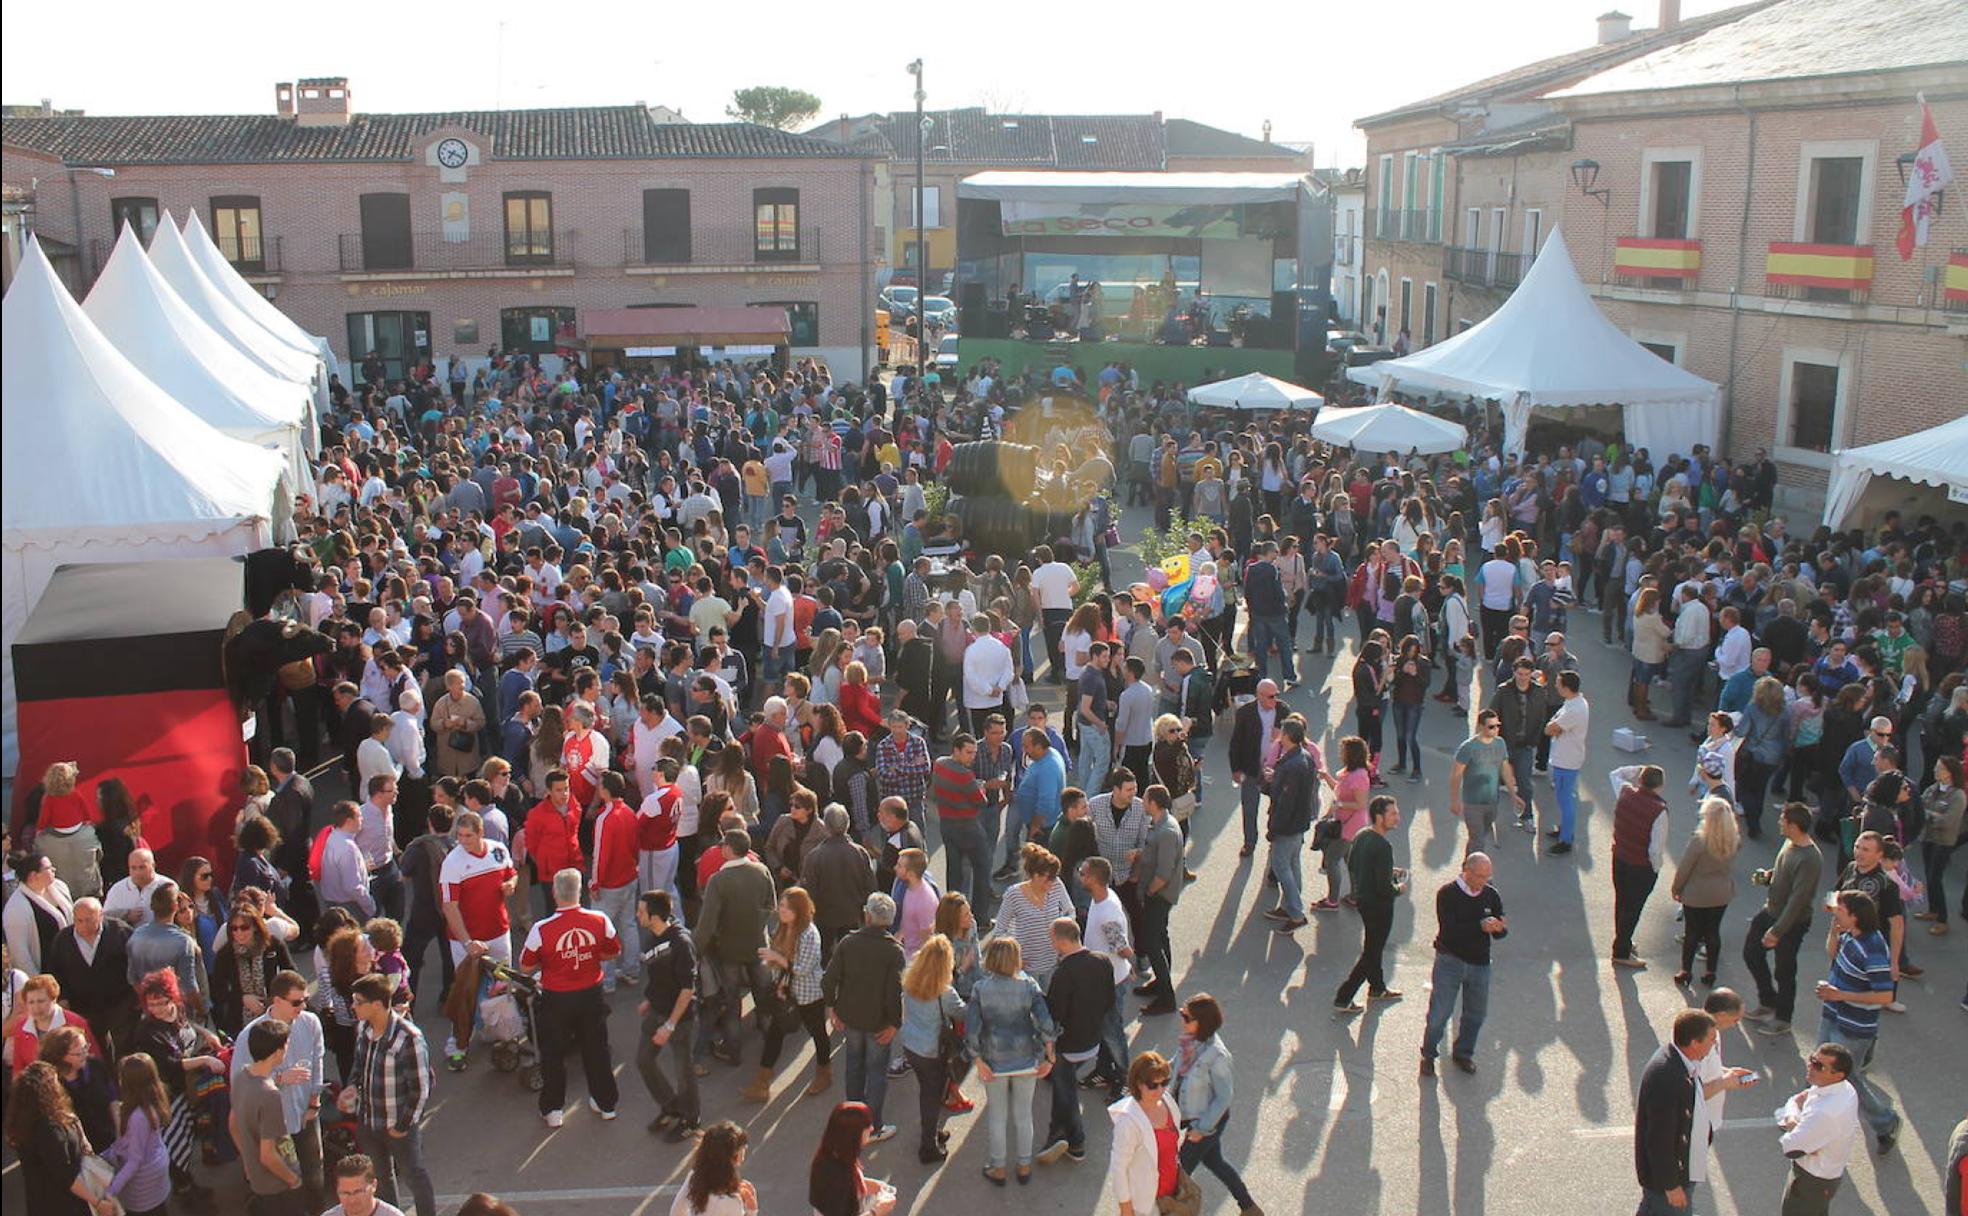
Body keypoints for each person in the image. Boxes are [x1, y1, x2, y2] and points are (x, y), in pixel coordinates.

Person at [518, 866, 621, 1125]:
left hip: (557, 998)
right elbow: (612, 952)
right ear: (581, 891)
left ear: (554, 893)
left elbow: (526, 966)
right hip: (591, 994)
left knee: (553, 1053)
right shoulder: (600, 921)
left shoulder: (541, 929)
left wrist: (552, 964)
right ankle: (606, 1104)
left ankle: (553, 1110)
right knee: (597, 1050)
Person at [337, 972, 436, 1216]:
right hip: (369, 1122)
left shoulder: (408, 1037)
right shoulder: (364, 1029)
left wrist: (402, 1126)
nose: (353, 1006)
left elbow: (421, 1088)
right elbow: (359, 1067)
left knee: (414, 1176)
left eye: (358, 1001)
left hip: (398, 1125)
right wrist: (351, 1087)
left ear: (378, 1005)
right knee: (380, 1177)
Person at [965, 936, 1058, 1186]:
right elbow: (1046, 1022)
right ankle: (1024, 1165)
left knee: (997, 1116)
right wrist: (1049, 1055)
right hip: (1026, 1059)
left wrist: (977, 1060)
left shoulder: (980, 989)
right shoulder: (1029, 986)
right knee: (1023, 1115)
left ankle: (998, 1167)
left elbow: (972, 1029)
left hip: (993, 1061)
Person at [1813, 890, 1900, 1155]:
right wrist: (1833, 930)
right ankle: (1812, 1121)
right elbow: (1832, 953)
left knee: (1845, 1077)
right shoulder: (1850, 935)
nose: (1834, 911)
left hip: (1854, 1025)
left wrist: (1841, 995)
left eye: (1840, 910)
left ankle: (1886, 1122)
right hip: (1833, 1012)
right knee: (1819, 1065)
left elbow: (1885, 995)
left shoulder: (1872, 948)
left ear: (1856, 916)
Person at [230, 970, 325, 1210]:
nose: (302, 1006)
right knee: (283, 1190)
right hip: (274, 1128)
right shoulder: (251, 1036)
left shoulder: (310, 1022)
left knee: (314, 1176)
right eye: (296, 1002)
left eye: (305, 999)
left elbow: (318, 1061)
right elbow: (243, 1083)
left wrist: (314, 1103)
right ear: (277, 1001)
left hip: (305, 1116)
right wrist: (281, 1077)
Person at [822, 891, 905, 1142]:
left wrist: (832, 1008)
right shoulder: (894, 951)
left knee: (854, 1068)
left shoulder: (848, 943)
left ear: (867, 916)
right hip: (879, 1023)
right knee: (877, 1073)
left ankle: (852, 1123)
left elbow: (828, 980)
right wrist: (894, 1023)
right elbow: (894, 993)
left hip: (851, 1019)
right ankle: (873, 1126)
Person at [1169, 993, 1261, 1215]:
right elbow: (1173, 1067)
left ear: (1202, 1022)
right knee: (1216, 1162)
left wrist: (1202, 1129)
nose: (1182, 1020)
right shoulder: (1190, 1042)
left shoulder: (1217, 1055)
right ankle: (1249, 1207)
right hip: (1193, 1116)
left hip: (1207, 1121)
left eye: (1186, 1017)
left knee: (1177, 1176)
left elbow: (1224, 1097)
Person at [1419, 852, 1506, 1077]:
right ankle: (1428, 1053)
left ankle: (1464, 1053)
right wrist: (1480, 926)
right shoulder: (1447, 894)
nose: (1482, 882)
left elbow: (1500, 931)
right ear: (1466, 871)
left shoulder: (1491, 895)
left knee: (1476, 1014)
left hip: (1480, 964)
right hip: (1450, 960)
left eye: (1487, 877)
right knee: (1440, 1013)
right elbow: (1449, 931)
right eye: (1479, 876)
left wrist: (1499, 928)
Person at [1743, 803, 1824, 1036]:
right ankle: (1768, 1000)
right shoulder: (1789, 843)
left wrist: (1777, 931)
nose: (1779, 823)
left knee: (1785, 970)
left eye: (1782, 820)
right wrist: (1769, 877)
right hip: (1771, 911)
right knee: (1751, 953)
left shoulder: (1810, 858)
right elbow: (1783, 872)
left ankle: (1783, 1018)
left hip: (1792, 922)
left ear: (1794, 826)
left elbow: (1798, 900)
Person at [1039, 917, 1112, 1168]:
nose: (1051, 944)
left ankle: (1076, 1141)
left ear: (1061, 940)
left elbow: (1054, 1014)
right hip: (1092, 1041)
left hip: (1069, 1046)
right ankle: (1055, 1134)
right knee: (1064, 1088)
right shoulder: (1102, 962)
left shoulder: (1064, 973)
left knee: (1065, 1091)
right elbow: (1110, 1002)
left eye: (1052, 939)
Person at [1633, 1008, 1717, 1216]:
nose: (1714, 1044)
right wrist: (1671, 1185)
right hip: (1668, 1183)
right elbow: (1658, 1139)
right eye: (1711, 1039)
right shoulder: (1666, 1077)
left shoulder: (1681, 1061)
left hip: (1681, 1171)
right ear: (1694, 1043)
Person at [749, 886, 830, 1103]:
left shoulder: (809, 933)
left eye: (787, 908)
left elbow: (803, 968)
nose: (781, 911)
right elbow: (782, 962)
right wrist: (775, 971)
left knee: (818, 1034)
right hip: (788, 992)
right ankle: (762, 1083)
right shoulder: (784, 928)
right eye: (781, 906)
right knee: (775, 1034)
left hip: (809, 995)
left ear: (800, 910)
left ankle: (824, 1073)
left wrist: (777, 957)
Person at [635, 890, 702, 1142]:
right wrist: (649, 1000)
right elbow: (657, 976)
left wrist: (671, 1025)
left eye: (641, 911)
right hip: (656, 1010)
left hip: (679, 1019)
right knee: (644, 1060)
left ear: (654, 916)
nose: (637, 915)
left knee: (683, 1071)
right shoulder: (652, 936)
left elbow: (687, 989)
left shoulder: (681, 943)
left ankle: (690, 1118)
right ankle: (670, 1106)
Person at [1333, 796, 1405, 1014]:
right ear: (1379, 816)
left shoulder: (1362, 835)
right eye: (1392, 814)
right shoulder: (1383, 845)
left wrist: (1385, 871)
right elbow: (1384, 887)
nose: (1397, 817)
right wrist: (1398, 889)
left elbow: (1354, 863)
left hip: (1363, 901)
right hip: (1379, 906)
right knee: (1372, 952)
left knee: (1373, 946)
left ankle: (1377, 987)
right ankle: (1344, 997)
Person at [899, 932, 964, 1163]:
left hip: (910, 1045)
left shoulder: (910, 979)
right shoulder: (945, 992)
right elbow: (962, 1012)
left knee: (927, 1091)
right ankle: (928, 1146)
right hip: (932, 1051)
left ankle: (932, 1133)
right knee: (931, 1095)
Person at [1776, 1042, 1861, 1216]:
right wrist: (1796, 1122)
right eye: (1811, 1060)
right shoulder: (1842, 1089)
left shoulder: (1825, 1112)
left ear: (1837, 1075)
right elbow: (1797, 1100)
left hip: (1811, 1180)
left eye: (1818, 1066)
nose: (1810, 1067)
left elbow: (1792, 1148)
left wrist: (1791, 1118)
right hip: (1822, 1177)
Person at [232, 1018, 306, 1215]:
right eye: (287, 1043)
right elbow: (268, 1155)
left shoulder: (241, 1076)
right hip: (278, 1185)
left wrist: (248, 1161)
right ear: (278, 1052)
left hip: (259, 1181)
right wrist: (293, 1180)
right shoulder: (270, 1095)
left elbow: (232, 1122)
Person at [4, 1060, 94, 1216]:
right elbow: (67, 1176)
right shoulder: (48, 1130)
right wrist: (97, 1202)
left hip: (41, 1203)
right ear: (46, 1090)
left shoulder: (25, 1122)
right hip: (63, 1207)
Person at [1671, 797, 1740, 986]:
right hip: (1721, 893)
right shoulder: (1733, 840)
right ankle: (1711, 971)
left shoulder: (1699, 841)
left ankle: (1686, 970)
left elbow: (1685, 867)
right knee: (1713, 931)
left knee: (1692, 932)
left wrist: (1676, 888)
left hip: (1696, 894)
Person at [1608, 765, 1671, 969]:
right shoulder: (1659, 810)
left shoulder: (1625, 792)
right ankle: (1621, 950)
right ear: (1660, 785)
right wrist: (1656, 868)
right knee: (1633, 908)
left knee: (1622, 901)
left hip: (1620, 857)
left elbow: (1615, 774)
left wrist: (1636, 769)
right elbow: (1656, 848)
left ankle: (1623, 940)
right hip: (1641, 866)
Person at [1107, 1051, 1184, 1216]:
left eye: (1164, 1083)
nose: (1160, 1090)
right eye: (1152, 1086)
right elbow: (1119, 1167)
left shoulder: (1167, 1102)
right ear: (1138, 1084)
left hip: (1171, 1193)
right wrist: (1125, 1207)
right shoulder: (1128, 1122)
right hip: (1145, 1203)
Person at [1134, 785, 1187, 1016]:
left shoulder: (1167, 831)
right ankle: (1161, 981)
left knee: (1153, 943)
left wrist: (1149, 892)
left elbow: (1164, 873)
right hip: (1158, 894)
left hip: (1159, 895)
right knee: (1161, 937)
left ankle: (1166, 997)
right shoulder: (1161, 824)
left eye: (1145, 799)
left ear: (1153, 803)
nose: (1142, 802)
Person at [103, 1051, 175, 1216]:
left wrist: (111, 1190)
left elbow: (135, 1160)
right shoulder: (152, 1100)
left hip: (144, 1185)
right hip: (157, 1172)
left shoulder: (138, 1117)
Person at [1262, 717, 1317, 932]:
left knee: (1281, 866)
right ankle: (1289, 906)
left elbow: (1286, 801)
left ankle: (1295, 913)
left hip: (1288, 825)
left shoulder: (1293, 764)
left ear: (1287, 736)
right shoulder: (1304, 758)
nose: (1279, 736)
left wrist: (1274, 828)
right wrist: (1277, 778)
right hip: (1298, 823)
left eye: (1281, 733)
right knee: (1293, 865)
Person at [810, 1101, 896, 1216]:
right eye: (866, 1126)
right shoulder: (838, 1175)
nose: (871, 1128)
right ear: (853, 1135)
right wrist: (877, 1211)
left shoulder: (831, 1154)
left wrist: (873, 1185)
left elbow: (850, 1182)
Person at [4, 852, 75, 973]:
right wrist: (36, 981)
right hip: (46, 969)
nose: (54, 869)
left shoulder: (60, 887)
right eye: (48, 868)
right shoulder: (16, 908)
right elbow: (19, 953)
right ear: (34, 876)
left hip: (70, 964)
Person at [1544, 670, 1590, 854]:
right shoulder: (1576, 702)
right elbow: (1555, 725)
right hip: (1567, 756)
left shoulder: (1573, 710)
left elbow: (1550, 729)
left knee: (1565, 800)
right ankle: (1565, 830)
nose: (1556, 686)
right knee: (1564, 798)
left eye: (1558, 683)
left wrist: (1553, 725)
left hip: (1567, 760)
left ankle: (1566, 840)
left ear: (1566, 687)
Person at [672, 1121, 758, 1216]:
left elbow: (676, 1212)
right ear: (735, 1155)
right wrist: (751, 1211)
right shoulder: (731, 1200)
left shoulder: (694, 1176)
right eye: (743, 1148)